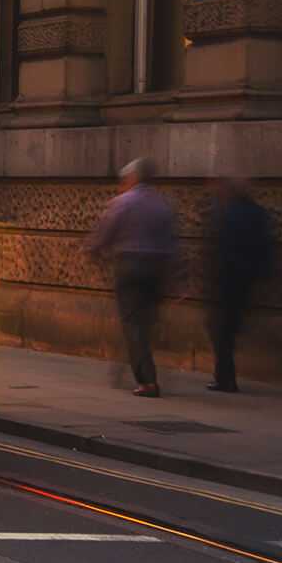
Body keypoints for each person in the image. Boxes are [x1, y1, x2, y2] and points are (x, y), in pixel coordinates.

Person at [85, 158, 178, 398]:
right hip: (158, 268)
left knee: (133, 324)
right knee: (145, 323)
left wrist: (94, 250)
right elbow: (172, 241)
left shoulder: (123, 202)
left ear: (133, 178)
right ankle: (143, 364)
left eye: (125, 179)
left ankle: (148, 381)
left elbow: (105, 231)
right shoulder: (163, 204)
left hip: (131, 267)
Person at [206, 178, 273, 393]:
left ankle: (225, 379)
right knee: (228, 327)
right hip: (247, 278)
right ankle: (225, 376)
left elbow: (221, 248)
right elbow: (265, 246)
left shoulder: (227, 213)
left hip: (228, 278)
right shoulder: (258, 213)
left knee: (221, 330)